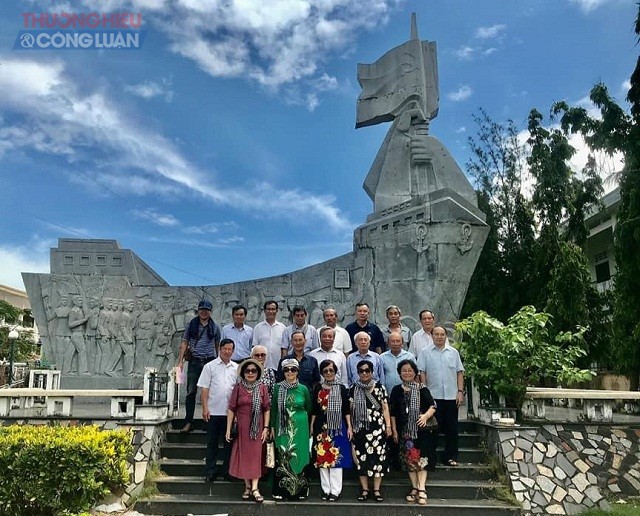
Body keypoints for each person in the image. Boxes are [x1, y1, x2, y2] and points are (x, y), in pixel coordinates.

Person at [389, 359, 437, 506]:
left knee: (422, 460)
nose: (407, 373)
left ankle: (422, 488)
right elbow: (393, 413)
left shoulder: (422, 388)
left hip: (422, 431)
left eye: (410, 370)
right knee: (409, 460)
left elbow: (433, 405)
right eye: (404, 370)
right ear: (399, 373)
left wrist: (425, 416)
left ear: (415, 372)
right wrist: (394, 430)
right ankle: (414, 487)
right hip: (405, 432)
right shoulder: (396, 390)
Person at [418, 326, 465, 468]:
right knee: (433, 428)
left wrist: (460, 391)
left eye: (442, 334)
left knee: (452, 428)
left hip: (451, 396)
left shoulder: (453, 352)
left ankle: (450, 456)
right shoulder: (425, 352)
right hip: (434, 397)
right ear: (431, 336)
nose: (439, 337)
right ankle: (430, 458)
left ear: (446, 336)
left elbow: (459, 372)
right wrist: (426, 394)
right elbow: (422, 373)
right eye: (436, 334)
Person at [226, 359, 271, 503]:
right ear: (243, 373)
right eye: (247, 371)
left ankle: (255, 488)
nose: (250, 373)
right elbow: (232, 408)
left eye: (253, 371)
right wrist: (228, 429)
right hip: (242, 426)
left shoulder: (262, 387)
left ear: (258, 373)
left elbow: (266, 409)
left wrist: (266, 428)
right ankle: (247, 486)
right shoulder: (238, 388)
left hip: (257, 427)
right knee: (244, 455)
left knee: (256, 456)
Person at [349, 359, 391, 502]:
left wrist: (389, 426)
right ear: (358, 373)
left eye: (367, 370)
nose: (365, 373)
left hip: (377, 428)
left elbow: (385, 408)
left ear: (372, 372)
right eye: (361, 371)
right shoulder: (353, 388)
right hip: (360, 428)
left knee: (378, 458)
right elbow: (350, 410)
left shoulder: (380, 387)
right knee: (361, 459)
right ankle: (365, 489)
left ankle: (377, 490)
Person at [311, 359, 353, 501]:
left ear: (335, 371)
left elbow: (346, 409)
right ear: (322, 373)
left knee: (336, 458)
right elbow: (315, 410)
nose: (328, 373)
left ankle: (335, 490)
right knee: (322, 459)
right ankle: (325, 489)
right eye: (325, 371)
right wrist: (311, 426)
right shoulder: (318, 388)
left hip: (337, 427)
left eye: (331, 370)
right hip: (321, 427)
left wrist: (349, 427)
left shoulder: (341, 388)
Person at [270, 358, 312, 500]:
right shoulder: (277, 388)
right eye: (287, 370)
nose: (290, 372)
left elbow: (308, 407)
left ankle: (300, 490)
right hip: (283, 427)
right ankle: (282, 491)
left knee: (299, 456)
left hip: (300, 427)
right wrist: (272, 427)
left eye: (293, 369)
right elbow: (274, 409)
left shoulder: (303, 389)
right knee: (284, 456)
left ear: (297, 371)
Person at [178, 299, 221, 433]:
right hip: (194, 361)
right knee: (191, 392)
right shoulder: (191, 325)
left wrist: (219, 362)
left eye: (206, 310)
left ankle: (208, 422)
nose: (203, 312)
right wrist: (180, 361)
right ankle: (188, 422)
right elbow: (185, 342)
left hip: (209, 361)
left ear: (210, 312)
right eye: (201, 309)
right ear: (198, 310)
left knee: (209, 393)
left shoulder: (214, 327)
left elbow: (217, 345)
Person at [198, 338, 238, 481]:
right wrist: (205, 408)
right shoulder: (210, 366)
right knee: (212, 443)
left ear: (233, 351)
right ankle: (210, 471)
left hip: (230, 413)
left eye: (230, 349)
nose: (227, 352)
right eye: (224, 349)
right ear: (219, 349)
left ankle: (227, 471)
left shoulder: (236, 368)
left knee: (229, 444)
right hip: (213, 411)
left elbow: (238, 390)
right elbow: (204, 389)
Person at [252, 300, 287, 371]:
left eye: (273, 309)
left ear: (277, 311)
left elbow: (284, 349)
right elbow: (254, 348)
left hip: (277, 366)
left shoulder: (282, 328)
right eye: (268, 309)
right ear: (264, 311)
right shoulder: (258, 327)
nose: (270, 311)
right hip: (261, 367)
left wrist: (283, 364)